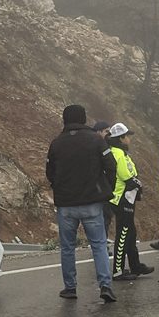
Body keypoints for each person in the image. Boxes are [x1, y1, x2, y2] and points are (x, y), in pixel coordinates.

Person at [46, 104, 117, 302]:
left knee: (67, 248)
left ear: (65, 120)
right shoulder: (96, 140)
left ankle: (70, 288)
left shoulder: (56, 143)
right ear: (84, 119)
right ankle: (105, 285)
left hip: (66, 204)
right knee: (99, 245)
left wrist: (59, 187)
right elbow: (111, 166)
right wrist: (105, 189)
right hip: (92, 201)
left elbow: (50, 172)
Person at [106, 122, 155, 281]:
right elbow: (127, 177)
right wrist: (139, 184)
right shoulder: (118, 154)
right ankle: (118, 270)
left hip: (126, 198)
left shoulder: (120, 152)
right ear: (121, 138)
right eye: (128, 136)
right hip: (122, 199)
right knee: (123, 234)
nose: (130, 139)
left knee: (130, 233)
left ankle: (135, 265)